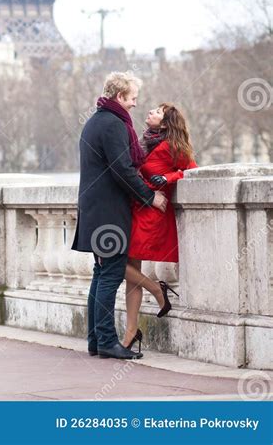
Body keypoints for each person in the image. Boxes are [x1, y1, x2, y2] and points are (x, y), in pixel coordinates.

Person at [71, 72, 167, 360]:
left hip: (96, 210)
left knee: (101, 274)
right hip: (108, 213)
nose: (136, 104)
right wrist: (150, 196)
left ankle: (95, 340)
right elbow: (122, 169)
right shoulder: (113, 125)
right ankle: (107, 342)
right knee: (110, 275)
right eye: (133, 98)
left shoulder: (96, 121)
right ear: (120, 97)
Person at [122, 103, 196, 354]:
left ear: (165, 124)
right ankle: (133, 328)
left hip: (152, 214)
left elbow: (193, 173)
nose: (150, 112)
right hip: (134, 209)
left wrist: (168, 178)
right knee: (128, 271)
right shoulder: (144, 142)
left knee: (121, 265)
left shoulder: (173, 147)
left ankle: (133, 328)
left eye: (156, 112)